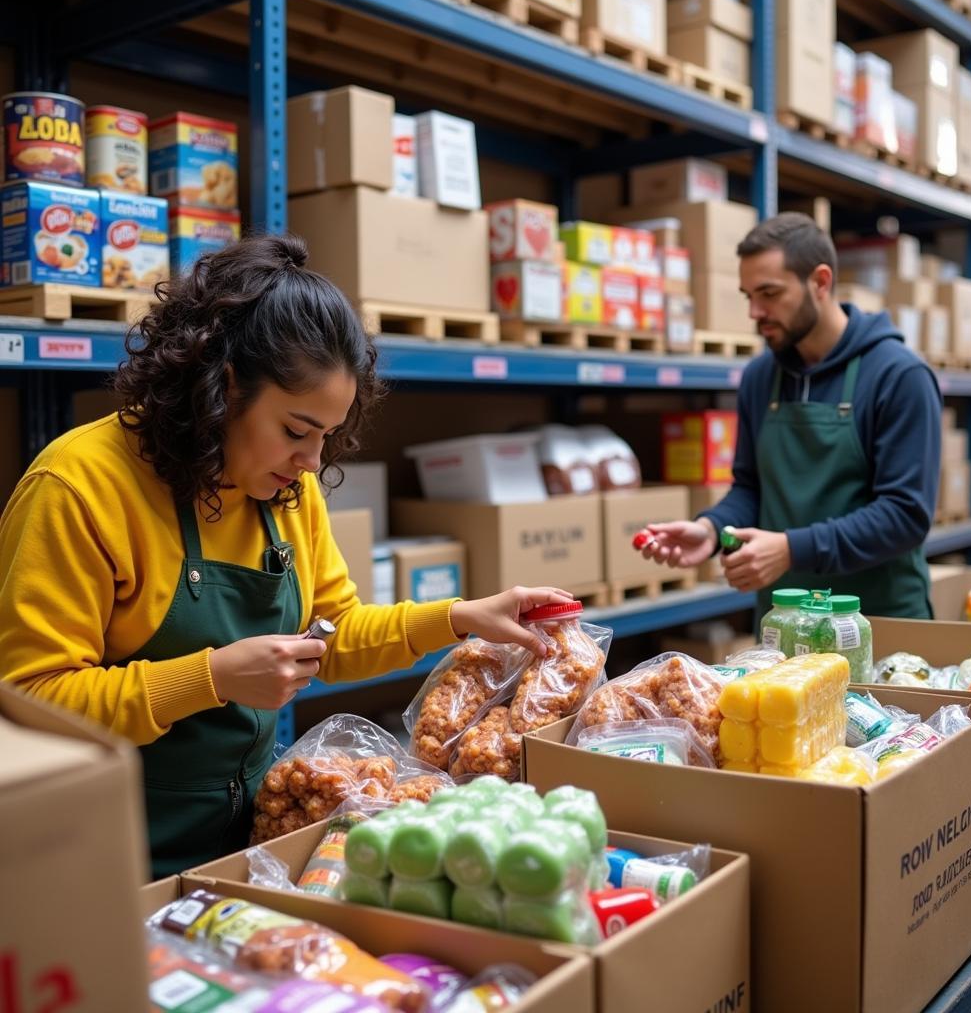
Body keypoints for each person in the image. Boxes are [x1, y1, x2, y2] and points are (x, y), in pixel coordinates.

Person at [0, 234, 571, 876]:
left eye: (326, 436)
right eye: (297, 431)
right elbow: (34, 703)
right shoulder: (80, 488)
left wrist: (461, 618)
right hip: (106, 858)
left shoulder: (283, 490)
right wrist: (209, 678)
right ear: (219, 386)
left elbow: (334, 633)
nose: (312, 461)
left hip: (248, 843)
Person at [639, 212, 941, 620]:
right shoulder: (761, 378)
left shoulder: (898, 375)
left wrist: (790, 550)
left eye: (769, 293)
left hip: (881, 624)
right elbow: (751, 488)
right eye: (748, 296)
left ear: (820, 282)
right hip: (785, 628)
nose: (755, 312)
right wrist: (712, 530)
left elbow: (905, 515)